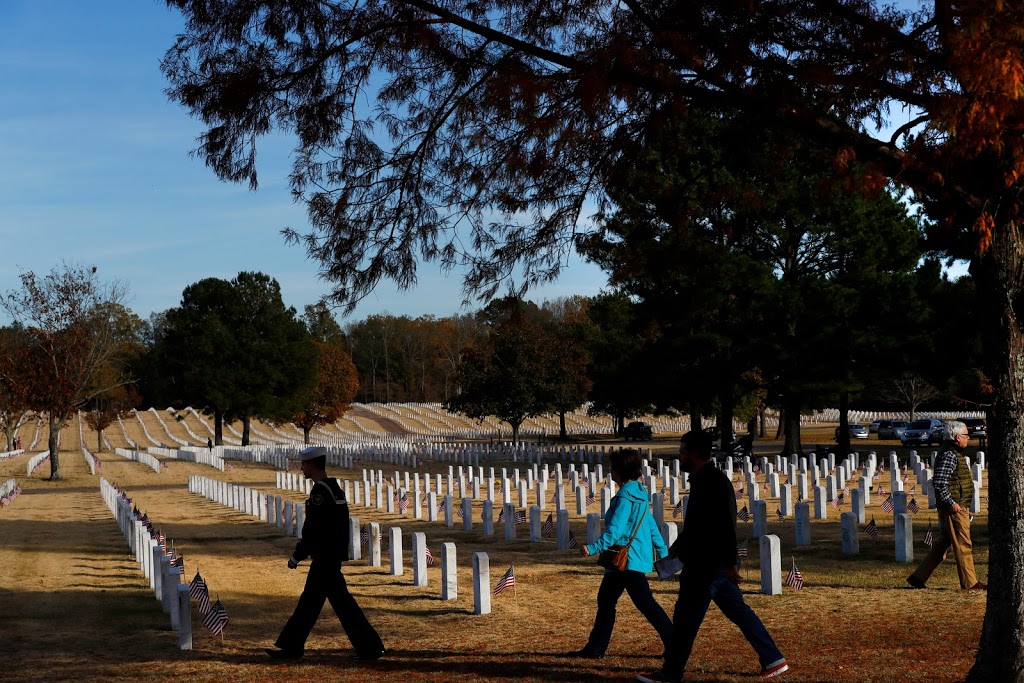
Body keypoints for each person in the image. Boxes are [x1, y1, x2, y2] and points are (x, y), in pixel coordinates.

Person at [638, 430, 788, 683]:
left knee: (685, 619)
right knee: (738, 611)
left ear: (695, 453)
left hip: (707, 564)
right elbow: (699, 524)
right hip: (710, 562)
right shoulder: (703, 479)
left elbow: (724, 526)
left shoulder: (712, 482)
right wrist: (679, 545)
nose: (680, 455)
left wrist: (730, 563)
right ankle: (773, 658)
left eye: (683, 450)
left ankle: (671, 672)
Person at [266, 446, 386, 661]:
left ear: (312, 465)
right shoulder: (334, 488)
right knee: (325, 603)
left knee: (320, 604)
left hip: (325, 558)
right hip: (331, 557)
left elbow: (314, 529)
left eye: (303, 465)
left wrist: (297, 555)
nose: (302, 469)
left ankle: (369, 647)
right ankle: (369, 647)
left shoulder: (320, 492)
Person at [571, 448, 673, 659]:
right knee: (610, 601)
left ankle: (675, 644)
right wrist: (662, 551)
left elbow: (615, 531)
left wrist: (592, 548)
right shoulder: (640, 494)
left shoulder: (625, 497)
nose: (611, 472)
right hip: (631, 560)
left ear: (619, 471)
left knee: (642, 604)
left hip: (625, 560)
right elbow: (651, 525)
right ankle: (595, 648)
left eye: (613, 468)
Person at [907, 420, 986, 590]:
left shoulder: (952, 452)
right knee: (963, 544)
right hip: (954, 508)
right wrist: (952, 504)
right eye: (966, 435)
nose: (968, 439)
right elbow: (940, 482)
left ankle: (918, 577)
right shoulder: (950, 454)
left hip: (956, 506)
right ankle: (970, 583)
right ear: (957, 437)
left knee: (946, 543)